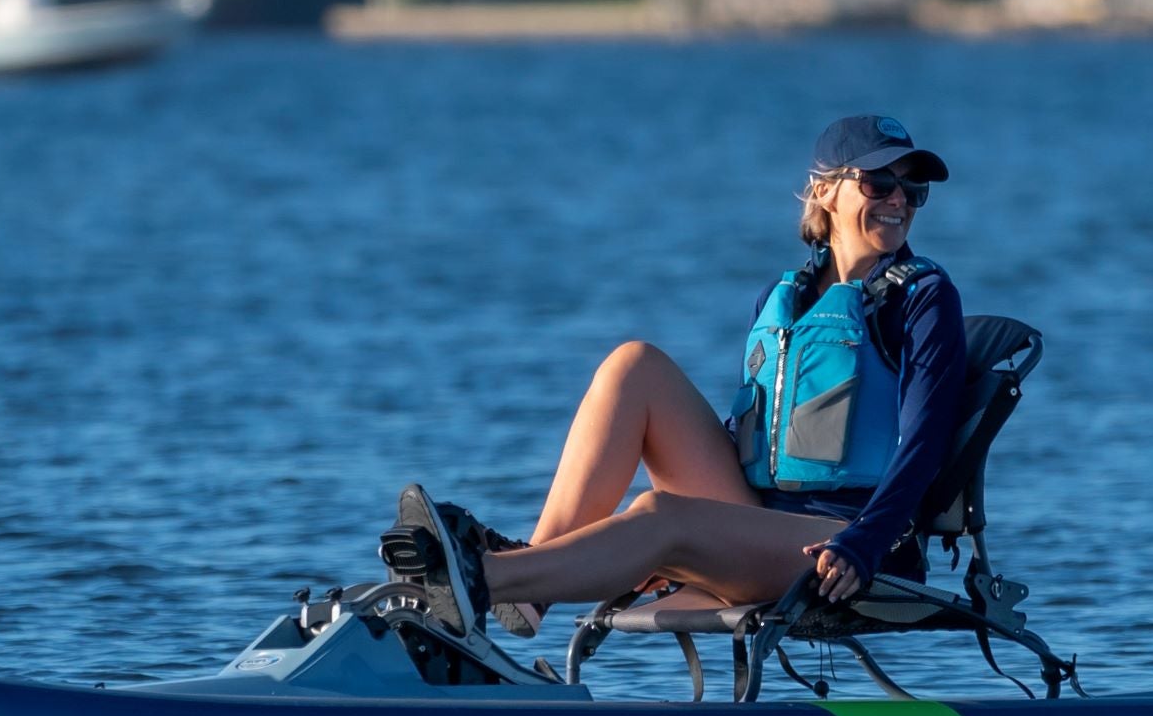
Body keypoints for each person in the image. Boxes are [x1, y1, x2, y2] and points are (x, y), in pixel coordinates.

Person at [379, 114, 968, 642]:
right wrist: (703, 540)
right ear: (824, 191)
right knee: (633, 366)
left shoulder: (924, 298)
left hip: (847, 543)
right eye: (878, 183)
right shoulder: (785, 297)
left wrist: (865, 542)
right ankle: (533, 585)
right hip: (760, 519)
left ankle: (481, 579)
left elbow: (925, 445)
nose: (899, 200)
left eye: (913, 189)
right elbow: (758, 433)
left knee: (662, 515)